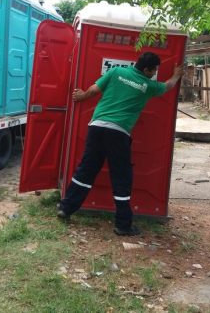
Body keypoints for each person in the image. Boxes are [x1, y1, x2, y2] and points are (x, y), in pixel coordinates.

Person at [57, 52, 183, 236]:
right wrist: (176, 75)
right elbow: (168, 85)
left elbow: (94, 90)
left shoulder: (116, 71)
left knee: (86, 169)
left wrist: (82, 96)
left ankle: (66, 208)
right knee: (121, 177)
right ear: (146, 70)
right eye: (154, 70)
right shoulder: (148, 86)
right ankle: (123, 225)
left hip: (96, 127)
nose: (155, 73)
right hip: (118, 133)